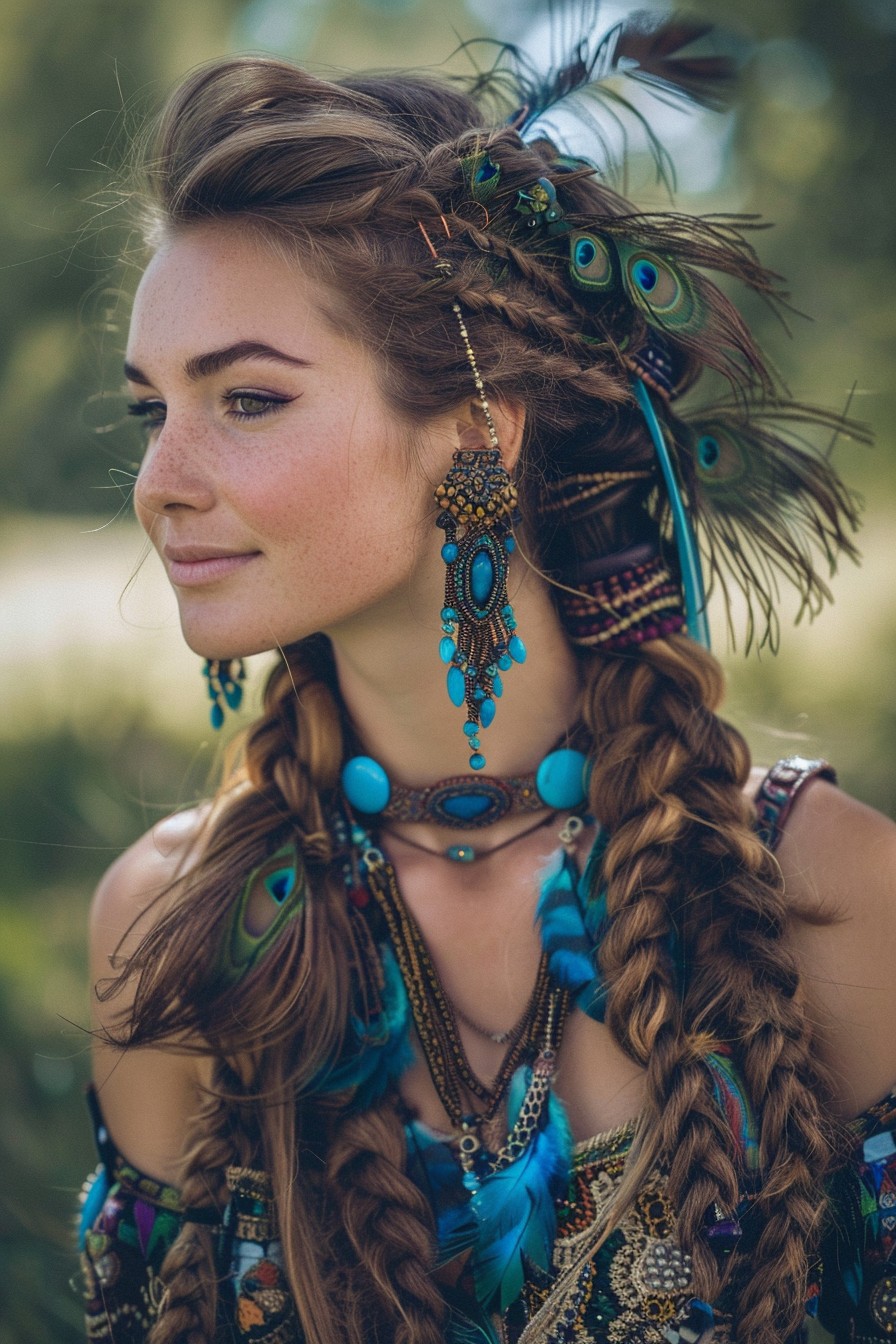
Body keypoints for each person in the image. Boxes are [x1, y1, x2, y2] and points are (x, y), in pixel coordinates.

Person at [77, 15, 896, 1344]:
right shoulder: (171, 927)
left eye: (246, 401)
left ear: (475, 433)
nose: (160, 483)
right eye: (147, 409)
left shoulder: (827, 899)